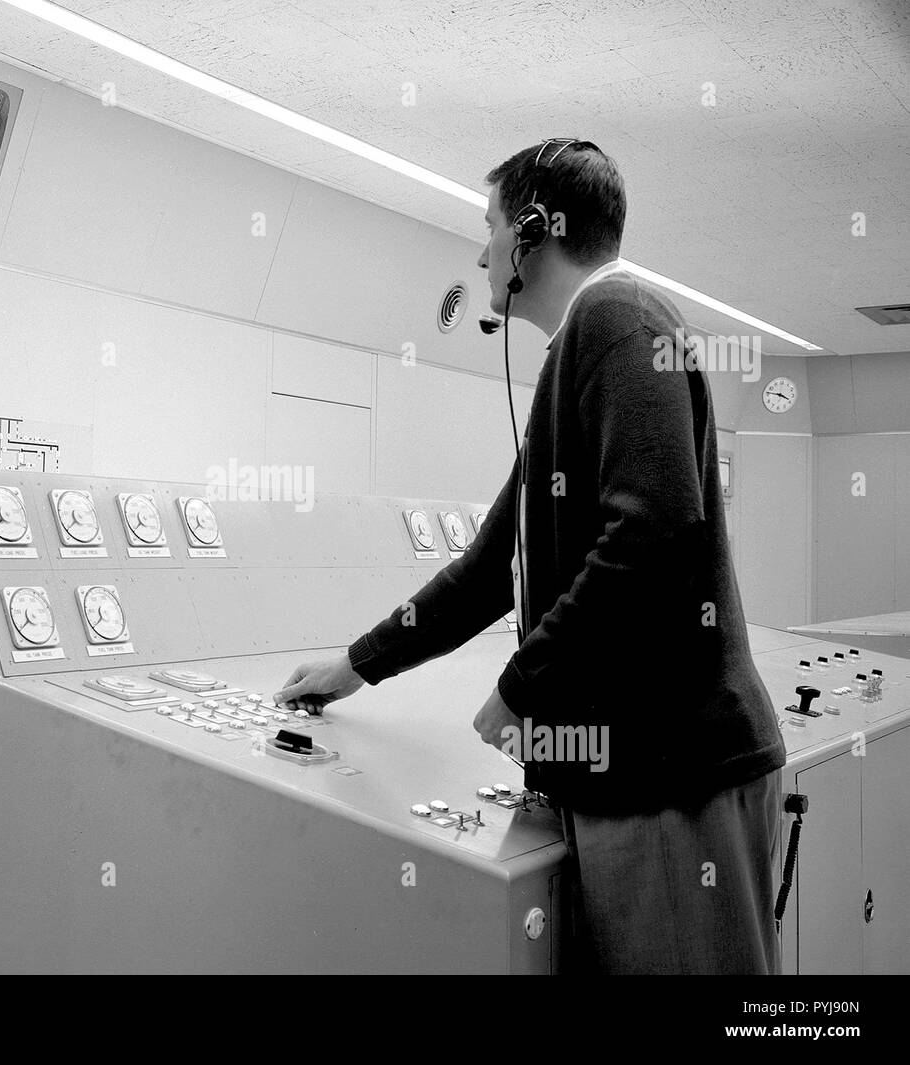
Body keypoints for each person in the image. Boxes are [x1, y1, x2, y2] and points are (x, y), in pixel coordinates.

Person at [274, 139, 786, 975]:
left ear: (536, 230)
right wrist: (353, 667)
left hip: (671, 782)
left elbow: (653, 534)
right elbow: (488, 568)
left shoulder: (618, 319)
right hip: (631, 779)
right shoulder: (576, 352)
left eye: (490, 227)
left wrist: (522, 686)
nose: (481, 251)